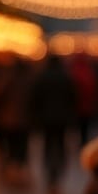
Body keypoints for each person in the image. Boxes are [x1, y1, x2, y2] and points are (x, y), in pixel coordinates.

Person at [29, 54, 78, 184]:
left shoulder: (42, 76)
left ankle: (48, 167)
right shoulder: (65, 76)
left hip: (46, 117)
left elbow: (35, 97)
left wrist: (36, 114)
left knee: (48, 142)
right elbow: (72, 97)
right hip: (62, 117)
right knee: (60, 142)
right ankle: (59, 166)